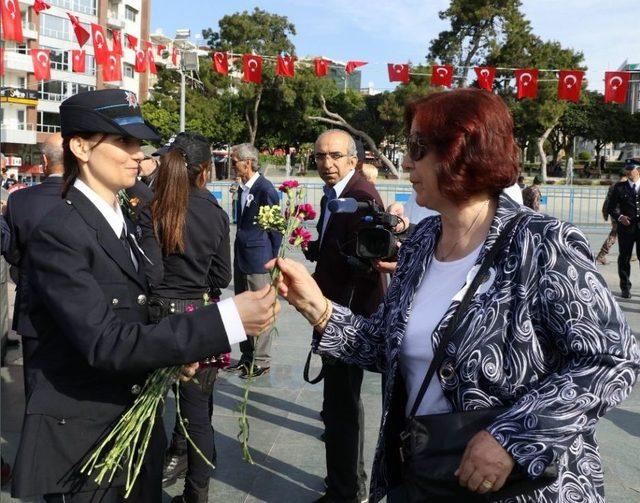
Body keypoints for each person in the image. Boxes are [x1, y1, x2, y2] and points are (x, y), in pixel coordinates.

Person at [267, 89, 639, 503]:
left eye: (417, 149)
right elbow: (386, 346)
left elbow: (612, 359)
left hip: (520, 488)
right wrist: (316, 307)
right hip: (428, 474)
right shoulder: (423, 241)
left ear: (463, 152)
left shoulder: (544, 243)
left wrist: (511, 438)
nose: (405, 162)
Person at [9, 89, 278, 502]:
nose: (137, 154)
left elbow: (138, 316)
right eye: (123, 142)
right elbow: (105, 342)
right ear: (81, 147)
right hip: (85, 445)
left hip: (132, 436)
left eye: (138, 143)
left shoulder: (128, 217)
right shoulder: (60, 232)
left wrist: (172, 359)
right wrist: (225, 320)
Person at [138, 131, 231, 503]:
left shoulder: (150, 208)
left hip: (157, 318)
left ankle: (145, 488)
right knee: (198, 417)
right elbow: (221, 277)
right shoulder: (215, 212)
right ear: (204, 171)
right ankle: (197, 495)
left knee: (148, 410)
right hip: (199, 318)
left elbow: (150, 273)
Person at [305, 129, 386, 503]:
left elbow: (371, 261)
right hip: (334, 312)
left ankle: (345, 492)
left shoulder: (360, 198)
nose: (327, 164)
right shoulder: (332, 197)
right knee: (339, 407)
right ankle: (349, 484)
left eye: (335, 156)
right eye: (321, 156)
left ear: (354, 160)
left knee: (342, 409)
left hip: (348, 319)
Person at [3, 133, 66, 386]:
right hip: (83, 310)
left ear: (44, 160)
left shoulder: (20, 200)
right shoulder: (89, 199)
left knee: (35, 385)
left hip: (33, 306)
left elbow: (12, 250)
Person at [225, 143, 282, 379]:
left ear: (248, 162)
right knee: (242, 308)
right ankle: (246, 356)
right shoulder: (243, 188)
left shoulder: (265, 189)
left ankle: (261, 360)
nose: (232, 164)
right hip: (242, 256)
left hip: (259, 259)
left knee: (261, 308)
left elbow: (276, 228)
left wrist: (270, 256)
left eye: (235, 160)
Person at [607, 158, 640, 298]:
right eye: (627, 168)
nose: (628, 171)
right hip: (626, 230)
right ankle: (625, 287)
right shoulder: (619, 187)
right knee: (624, 258)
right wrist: (620, 217)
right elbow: (611, 208)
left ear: (638, 170)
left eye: (630, 169)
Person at [596, 171, 628, 265]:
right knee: (614, 234)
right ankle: (601, 256)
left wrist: (605, 212)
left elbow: (607, 200)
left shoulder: (614, 185)